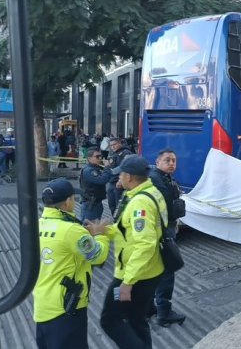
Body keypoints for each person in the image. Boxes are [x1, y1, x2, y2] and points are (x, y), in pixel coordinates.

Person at [92, 156, 168, 348]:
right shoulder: (150, 192)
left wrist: (127, 282)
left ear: (130, 177)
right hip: (150, 270)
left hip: (134, 275)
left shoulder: (139, 203)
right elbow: (127, 231)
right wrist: (105, 231)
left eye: (121, 175)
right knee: (136, 320)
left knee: (110, 320)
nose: (118, 179)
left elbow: (145, 244)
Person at [33, 178, 109, 349]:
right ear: (68, 202)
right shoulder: (71, 230)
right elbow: (98, 256)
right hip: (66, 308)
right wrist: (99, 235)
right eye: (74, 199)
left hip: (42, 305)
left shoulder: (36, 225)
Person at [148, 149, 186, 326]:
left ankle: (149, 307)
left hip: (166, 227)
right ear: (158, 162)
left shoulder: (165, 178)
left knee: (155, 269)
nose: (171, 163)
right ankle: (164, 311)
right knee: (167, 270)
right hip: (161, 232)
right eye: (167, 160)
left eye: (174, 160)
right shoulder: (156, 180)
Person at [79, 147, 112, 222]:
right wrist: (107, 167)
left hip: (96, 203)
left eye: (101, 156)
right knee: (89, 227)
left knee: (95, 227)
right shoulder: (89, 170)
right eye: (97, 157)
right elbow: (102, 180)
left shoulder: (95, 168)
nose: (100, 158)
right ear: (89, 158)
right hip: (90, 204)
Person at [106, 138, 133, 215]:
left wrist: (121, 180)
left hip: (119, 183)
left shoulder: (126, 153)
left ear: (119, 143)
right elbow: (108, 166)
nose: (113, 147)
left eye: (114, 144)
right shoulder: (112, 153)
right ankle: (114, 220)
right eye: (111, 145)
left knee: (120, 206)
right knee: (111, 205)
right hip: (111, 182)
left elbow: (125, 167)